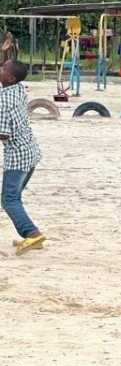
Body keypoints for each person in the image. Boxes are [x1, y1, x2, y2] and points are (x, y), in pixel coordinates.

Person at [0, 60, 45, 255]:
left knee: (8, 199)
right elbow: (14, 71)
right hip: (31, 151)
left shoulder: (3, 100)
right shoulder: (18, 87)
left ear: (10, 77)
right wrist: (6, 52)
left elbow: (3, 134)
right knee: (14, 197)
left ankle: (32, 234)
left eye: (2, 68)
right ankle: (31, 236)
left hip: (18, 155)